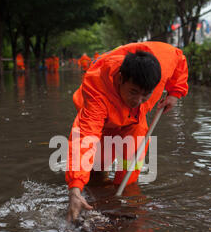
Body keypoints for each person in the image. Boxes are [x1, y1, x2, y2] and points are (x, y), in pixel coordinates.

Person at [66, 41, 189, 222]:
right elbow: (86, 137)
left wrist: (175, 93)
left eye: (146, 94)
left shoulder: (163, 59)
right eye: (133, 92)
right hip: (105, 121)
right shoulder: (97, 90)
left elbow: (179, 59)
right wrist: (75, 189)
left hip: (135, 122)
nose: (138, 100)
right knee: (96, 171)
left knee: (129, 173)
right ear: (121, 78)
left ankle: (123, 202)